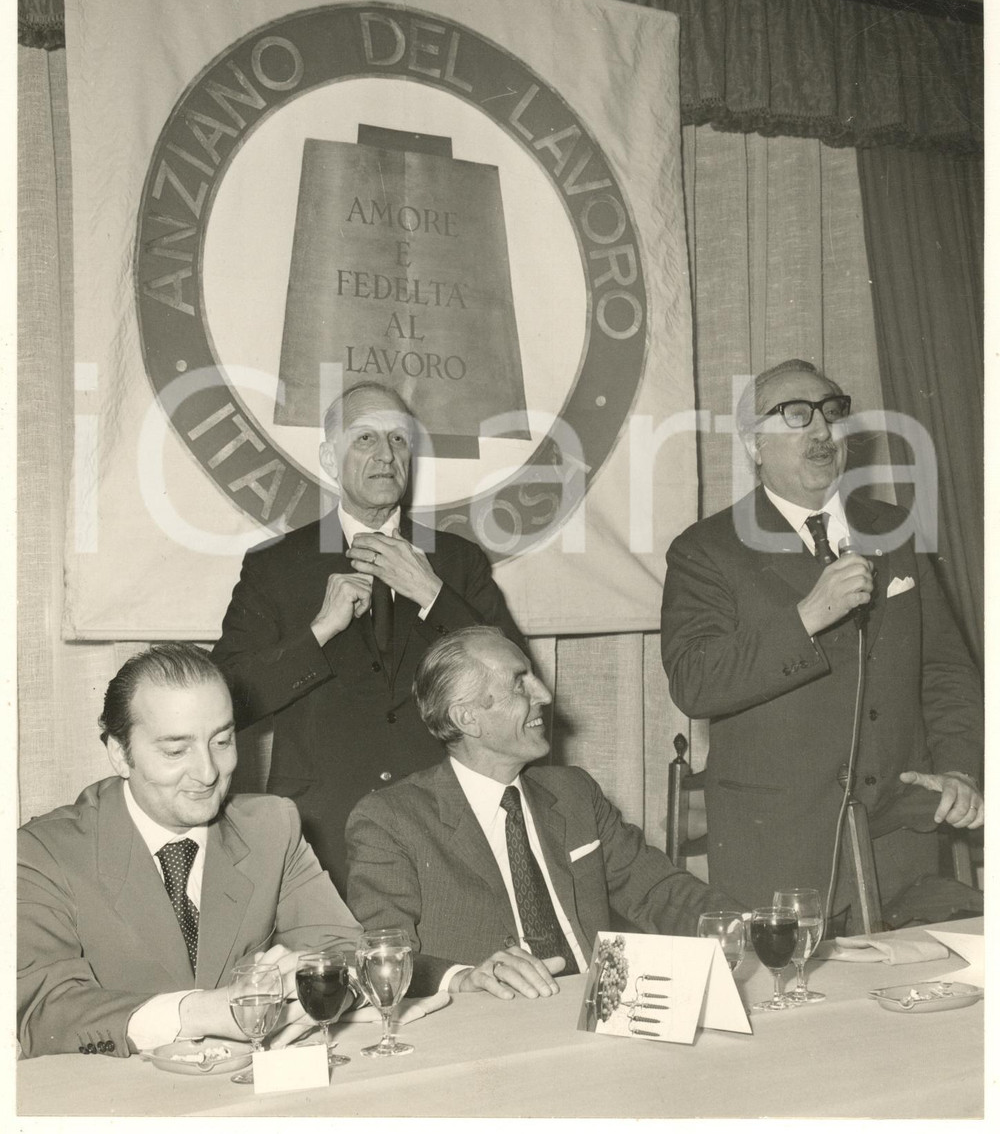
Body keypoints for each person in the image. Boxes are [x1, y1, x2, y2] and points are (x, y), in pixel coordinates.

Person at [660, 358, 983, 915]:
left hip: (902, 846)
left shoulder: (894, 529)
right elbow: (694, 682)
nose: (821, 429)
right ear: (754, 445)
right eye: (796, 415)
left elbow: (946, 671)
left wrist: (958, 768)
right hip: (780, 855)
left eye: (832, 412)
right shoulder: (706, 550)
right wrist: (806, 616)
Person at [213, 382, 525, 887]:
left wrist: (433, 595)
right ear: (329, 459)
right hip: (322, 831)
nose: (385, 455)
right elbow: (225, 699)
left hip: (446, 824)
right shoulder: (275, 567)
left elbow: (516, 689)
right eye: (364, 439)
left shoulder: (457, 562)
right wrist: (319, 631)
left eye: (399, 440)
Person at [346, 626, 732, 1001]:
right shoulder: (391, 819)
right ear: (467, 718)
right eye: (520, 684)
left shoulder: (573, 793)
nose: (544, 695)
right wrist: (463, 978)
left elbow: (658, 891)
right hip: (488, 1031)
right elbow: (381, 955)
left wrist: (747, 924)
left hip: (596, 1011)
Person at [17, 644, 362, 1059]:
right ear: (119, 754)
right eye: (175, 751)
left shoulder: (272, 826)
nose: (208, 772)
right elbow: (41, 1015)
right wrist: (201, 1013)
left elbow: (347, 953)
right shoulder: (41, 853)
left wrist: (309, 986)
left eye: (222, 740)